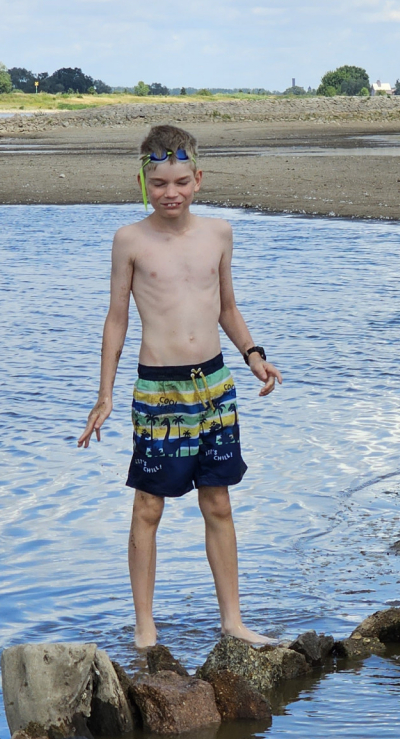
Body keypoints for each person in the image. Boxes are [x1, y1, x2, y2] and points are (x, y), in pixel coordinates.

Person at [78, 124, 282, 649]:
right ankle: (145, 630)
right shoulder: (130, 240)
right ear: (143, 181)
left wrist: (253, 355)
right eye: (160, 183)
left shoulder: (218, 233)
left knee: (218, 502)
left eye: (181, 181)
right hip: (159, 393)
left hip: (214, 384)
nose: (171, 193)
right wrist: (104, 394)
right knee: (149, 507)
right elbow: (116, 320)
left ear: (198, 179)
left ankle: (232, 621)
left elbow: (227, 307)